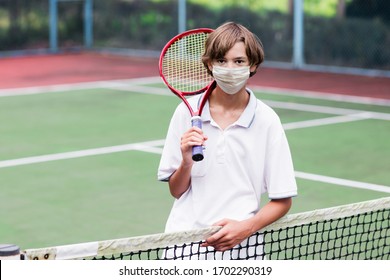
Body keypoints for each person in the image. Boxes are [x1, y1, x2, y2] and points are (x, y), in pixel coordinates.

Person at [157, 22, 297, 259]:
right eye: (221, 61)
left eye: (239, 61)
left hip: (242, 252)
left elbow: (282, 200)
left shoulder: (267, 120)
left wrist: (246, 228)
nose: (230, 68)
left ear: (252, 65)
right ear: (209, 64)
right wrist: (187, 162)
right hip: (184, 248)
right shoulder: (186, 112)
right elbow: (176, 190)